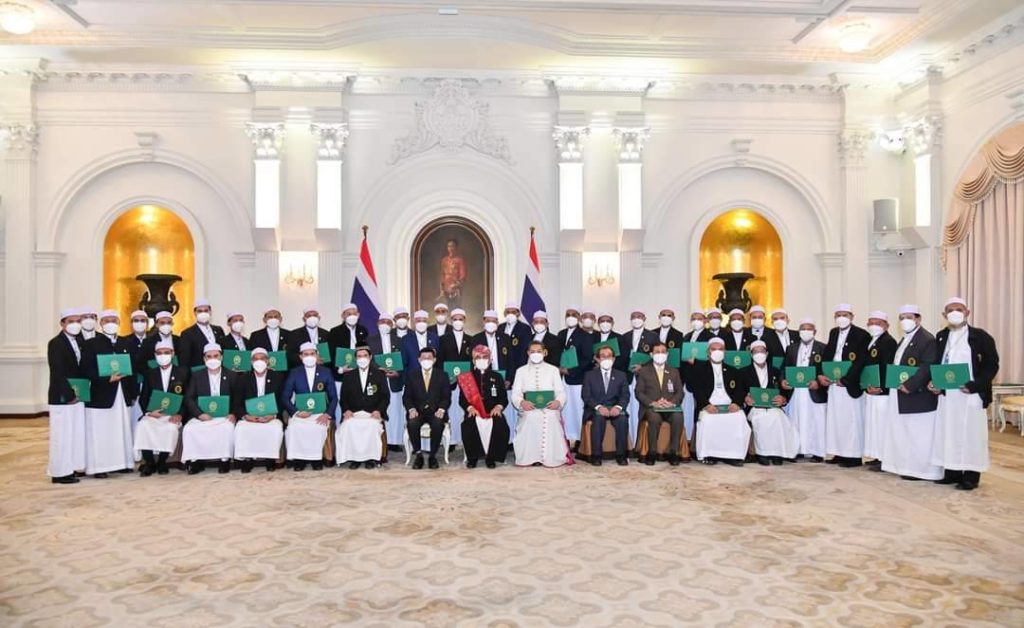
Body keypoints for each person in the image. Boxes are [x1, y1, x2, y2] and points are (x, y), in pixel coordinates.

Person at [930, 297, 1000, 491]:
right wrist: (935, 382)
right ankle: (951, 472)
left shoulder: (980, 336)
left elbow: (991, 364)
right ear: (944, 315)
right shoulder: (941, 336)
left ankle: (970, 476)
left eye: (959, 309)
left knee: (971, 435)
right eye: (950, 310)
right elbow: (937, 363)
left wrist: (975, 385)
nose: (954, 313)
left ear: (967, 312)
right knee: (948, 433)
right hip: (947, 396)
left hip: (970, 394)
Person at [881, 305, 942, 481]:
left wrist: (910, 385)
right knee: (906, 433)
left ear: (918, 319)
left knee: (920, 435)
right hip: (901, 393)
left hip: (918, 395)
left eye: (909, 317)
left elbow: (927, 366)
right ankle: (908, 467)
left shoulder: (927, 339)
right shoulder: (905, 339)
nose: (905, 321)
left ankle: (922, 470)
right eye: (901, 318)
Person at [81, 309, 137, 477]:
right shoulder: (91, 344)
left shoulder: (126, 343)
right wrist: (106, 378)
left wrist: (133, 393)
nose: (110, 323)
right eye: (107, 320)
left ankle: (123, 463)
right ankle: (100, 467)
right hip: (101, 394)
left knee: (121, 429)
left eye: (114, 320)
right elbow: (86, 370)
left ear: (119, 323)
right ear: (101, 323)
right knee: (101, 431)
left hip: (122, 393)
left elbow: (133, 368)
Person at [822, 304, 870, 467]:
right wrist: (823, 374)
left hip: (850, 385)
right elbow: (828, 355)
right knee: (836, 419)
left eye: (845, 315)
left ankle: (853, 456)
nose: (841, 318)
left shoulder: (862, 335)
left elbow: (861, 361)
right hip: (833, 383)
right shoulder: (833, 332)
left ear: (852, 317)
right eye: (838, 315)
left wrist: (846, 379)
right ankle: (839, 452)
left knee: (851, 420)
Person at [691, 337, 749, 466]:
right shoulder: (700, 368)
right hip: (709, 405)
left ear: (725, 352)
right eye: (714, 349)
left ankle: (733, 455)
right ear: (708, 352)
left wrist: (736, 403)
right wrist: (706, 405)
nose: (717, 352)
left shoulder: (733, 370)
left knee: (739, 417)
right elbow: (697, 390)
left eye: (720, 349)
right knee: (708, 419)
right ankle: (710, 454)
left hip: (729, 405)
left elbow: (740, 390)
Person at [182, 343, 238, 474]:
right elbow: (189, 398)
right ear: (204, 358)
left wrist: (233, 413)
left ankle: (224, 461)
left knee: (227, 428)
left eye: (216, 356)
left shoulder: (231, 375)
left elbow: (237, 398)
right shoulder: (197, 375)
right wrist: (199, 414)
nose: (213, 359)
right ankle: (195, 461)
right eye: (209, 356)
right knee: (190, 429)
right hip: (203, 415)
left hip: (224, 416)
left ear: (221, 357)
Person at [511, 341, 570, 467]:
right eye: (532, 351)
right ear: (528, 353)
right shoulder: (521, 371)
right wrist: (522, 402)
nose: (536, 354)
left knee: (551, 416)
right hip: (529, 408)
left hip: (549, 407)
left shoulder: (553, 370)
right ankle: (531, 457)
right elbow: (515, 394)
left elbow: (561, 392)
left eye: (539, 351)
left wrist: (558, 402)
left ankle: (550, 456)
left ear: (544, 352)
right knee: (530, 417)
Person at [46, 308, 87, 484]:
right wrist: (69, 395)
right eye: (71, 321)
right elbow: (58, 372)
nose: (75, 324)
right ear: (62, 324)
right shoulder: (56, 343)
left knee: (74, 434)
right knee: (61, 436)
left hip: (78, 395)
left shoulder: (79, 341)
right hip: (62, 397)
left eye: (78, 321)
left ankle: (70, 468)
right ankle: (59, 472)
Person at [135, 339, 187, 476]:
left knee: (170, 428)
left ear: (173, 354)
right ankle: (149, 462)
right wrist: (149, 412)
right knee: (143, 425)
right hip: (154, 414)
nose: (163, 356)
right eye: (159, 353)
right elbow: (144, 397)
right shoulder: (150, 374)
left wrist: (180, 414)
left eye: (166, 352)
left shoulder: (182, 373)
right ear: (155, 355)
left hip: (173, 414)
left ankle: (162, 462)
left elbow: (187, 397)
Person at [281, 342, 336, 471]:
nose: (309, 357)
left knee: (318, 428)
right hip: (300, 413)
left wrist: (327, 414)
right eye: (306, 354)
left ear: (317, 355)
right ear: (301, 356)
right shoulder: (294, 372)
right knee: (294, 427)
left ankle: (316, 459)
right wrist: (296, 412)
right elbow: (285, 396)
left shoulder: (326, 372)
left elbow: (333, 397)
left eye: (312, 354)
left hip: (320, 413)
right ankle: (299, 459)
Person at [740, 340, 797, 465]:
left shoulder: (775, 371)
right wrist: (745, 398)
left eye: (762, 351)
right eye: (756, 352)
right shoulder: (744, 372)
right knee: (761, 419)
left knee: (778, 417)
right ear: (751, 354)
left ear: (767, 353)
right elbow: (739, 391)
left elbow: (785, 389)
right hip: (755, 407)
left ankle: (777, 453)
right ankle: (762, 453)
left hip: (773, 406)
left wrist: (783, 398)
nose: (759, 354)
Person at [782, 318, 828, 462]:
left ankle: (817, 452)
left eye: (809, 329)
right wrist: (783, 380)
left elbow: (826, 370)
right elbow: (784, 368)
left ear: (815, 331)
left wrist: (818, 383)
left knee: (816, 421)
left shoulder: (823, 348)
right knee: (795, 420)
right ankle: (797, 450)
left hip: (813, 391)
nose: (805, 331)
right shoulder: (791, 348)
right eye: (803, 328)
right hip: (795, 391)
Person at [634, 342, 687, 466]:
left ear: (667, 354)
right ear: (651, 354)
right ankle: (652, 452)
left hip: (669, 407)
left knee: (678, 417)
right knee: (654, 418)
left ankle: (673, 452)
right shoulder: (644, 371)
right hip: (651, 408)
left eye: (663, 352)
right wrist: (652, 403)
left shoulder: (674, 371)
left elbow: (680, 392)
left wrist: (672, 403)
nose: (660, 354)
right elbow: (639, 392)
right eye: (657, 352)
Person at [459, 344, 510, 468]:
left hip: (492, 411)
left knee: (500, 425)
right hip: (475, 411)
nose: (481, 360)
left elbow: (504, 398)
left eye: (485, 357)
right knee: (468, 424)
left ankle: (491, 457)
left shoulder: (497, 376)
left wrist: (498, 407)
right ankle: (473, 458)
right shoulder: (467, 377)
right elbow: (462, 400)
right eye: (478, 357)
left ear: (490, 359)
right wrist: (470, 408)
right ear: (473, 360)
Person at [337, 346, 389, 469]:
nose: (362, 359)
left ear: (370, 357)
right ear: (355, 359)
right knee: (348, 425)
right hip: (354, 412)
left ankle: (370, 458)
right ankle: (354, 458)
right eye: (359, 356)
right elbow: (343, 397)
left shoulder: (379, 374)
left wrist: (379, 410)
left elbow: (385, 396)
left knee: (372, 425)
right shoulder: (349, 375)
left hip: (372, 412)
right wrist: (346, 410)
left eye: (365, 356)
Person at [234, 347, 284, 473]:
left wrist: (273, 415)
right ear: (251, 362)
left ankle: (270, 459)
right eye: (256, 359)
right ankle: (247, 459)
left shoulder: (278, 377)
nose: (259, 361)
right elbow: (237, 403)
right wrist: (245, 416)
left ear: (268, 361)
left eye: (262, 358)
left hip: (271, 415)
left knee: (275, 428)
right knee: (241, 428)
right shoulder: (243, 378)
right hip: (250, 416)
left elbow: (282, 400)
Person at [582, 345, 631, 466]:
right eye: (603, 356)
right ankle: (596, 456)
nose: (606, 359)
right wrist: (598, 407)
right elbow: (586, 396)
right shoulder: (589, 375)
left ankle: (621, 455)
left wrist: (618, 407)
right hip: (595, 409)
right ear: (598, 359)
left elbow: (625, 395)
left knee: (622, 420)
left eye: (609, 356)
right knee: (598, 419)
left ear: (613, 359)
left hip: (615, 408)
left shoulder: (621, 375)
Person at [403, 347, 450, 469]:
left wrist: (442, 409)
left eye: (429, 358)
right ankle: (418, 455)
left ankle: (432, 456)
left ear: (434, 360)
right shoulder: (412, 375)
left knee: (438, 423)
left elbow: (446, 397)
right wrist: (411, 409)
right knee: (412, 423)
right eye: (423, 358)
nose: (426, 360)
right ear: (419, 360)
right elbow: (406, 397)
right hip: (417, 411)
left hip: (436, 411)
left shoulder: (443, 375)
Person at [862, 311, 898, 470]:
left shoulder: (888, 342)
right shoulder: (871, 341)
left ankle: (885, 459)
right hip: (872, 390)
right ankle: (877, 456)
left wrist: (881, 387)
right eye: (871, 323)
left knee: (882, 425)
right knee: (874, 425)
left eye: (878, 323)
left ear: (887, 325)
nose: (874, 326)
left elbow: (887, 367)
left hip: (882, 392)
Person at [557, 306, 594, 447]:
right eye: (568, 314)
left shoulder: (584, 335)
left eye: (574, 314)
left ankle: (580, 440)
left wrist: (571, 371)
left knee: (577, 409)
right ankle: (565, 438)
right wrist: (559, 369)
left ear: (579, 318)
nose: (570, 317)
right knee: (564, 410)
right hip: (562, 379)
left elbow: (587, 359)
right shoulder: (561, 334)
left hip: (577, 379)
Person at [369, 311, 406, 450]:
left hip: (394, 380)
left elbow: (403, 359)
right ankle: (378, 441)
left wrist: (398, 371)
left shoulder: (399, 340)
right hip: (377, 379)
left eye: (388, 322)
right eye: (383, 322)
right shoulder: (370, 340)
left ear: (392, 325)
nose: (385, 324)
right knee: (378, 409)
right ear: (378, 323)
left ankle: (393, 441)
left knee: (395, 411)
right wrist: (378, 369)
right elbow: (367, 358)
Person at [623, 310, 657, 445]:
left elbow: (657, 356)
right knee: (629, 408)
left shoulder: (653, 336)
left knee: (641, 408)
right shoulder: (625, 336)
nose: (636, 319)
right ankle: (630, 441)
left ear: (644, 319)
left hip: (644, 378)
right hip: (628, 377)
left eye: (639, 317)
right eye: (633, 317)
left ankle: (641, 442)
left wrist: (642, 367)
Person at [179, 299, 226, 370]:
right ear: (195, 313)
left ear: (210, 312)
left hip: (219, 371)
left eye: (206, 310)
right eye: (200, 311)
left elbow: (223, 352)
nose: (203, 313)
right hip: (199, 372)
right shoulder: (187, 333)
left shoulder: (218, 330)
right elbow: (184, 360)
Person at [400, 310, 440, 388]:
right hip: (412, 380)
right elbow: (403, 362)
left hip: (432, 380)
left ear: (428, 322)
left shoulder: (435, 338)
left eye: (424, 321)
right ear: (414, 322)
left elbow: (438, 360)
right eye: (419, 321)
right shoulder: (405, 339)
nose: (421, 323)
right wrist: (406, 381)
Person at [439, 238, 467, 308]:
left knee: (456, 307)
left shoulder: (460, 260)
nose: (450, 248)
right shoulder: (444, 260)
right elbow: (442, 275)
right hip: (446, 288)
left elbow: (463, 276)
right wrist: (442, 288)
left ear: (456, 247)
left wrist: (456, 285)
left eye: (452, 246)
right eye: (449, 246)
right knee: (447, 308)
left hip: (456, 288)